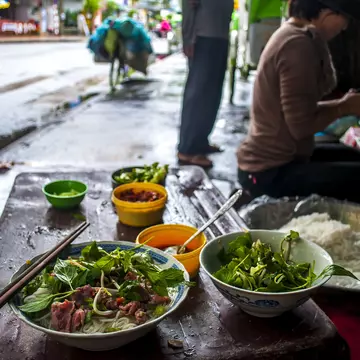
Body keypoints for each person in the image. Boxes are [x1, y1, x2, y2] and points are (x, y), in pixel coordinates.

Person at [237, 0, 360, 203]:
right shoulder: (297, 44)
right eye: (344, 19)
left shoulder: (301, 34)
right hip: (268, 172)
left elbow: (307, 106)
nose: (345, 26)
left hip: (286, 158)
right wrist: (345, 106)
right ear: (327, 14)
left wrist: (346, 103)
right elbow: (301, 126)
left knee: (352, 156)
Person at [177, 0, 234, 168]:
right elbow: (188, 5)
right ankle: (187, 149)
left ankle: (200, 140)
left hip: (220, 34)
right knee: (198, 93)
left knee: (212, 93)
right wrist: (187, 39)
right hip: (203, 36)